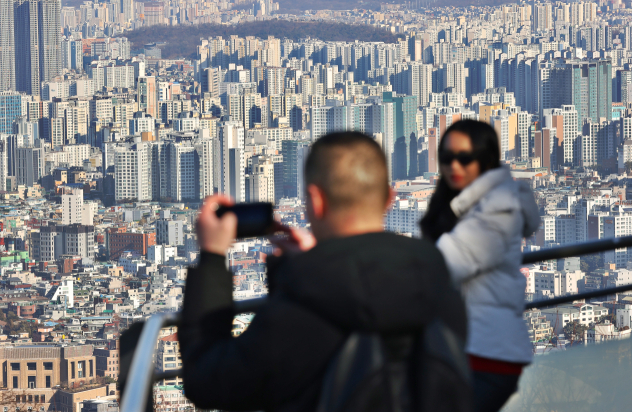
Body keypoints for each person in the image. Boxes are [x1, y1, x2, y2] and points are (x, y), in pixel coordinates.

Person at [179, 132, 469, 412]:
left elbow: (206, 379)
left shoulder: (298, 316)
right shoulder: (442, 289)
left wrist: (213, 258)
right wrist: (309, 265)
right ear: (389, 199)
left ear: (315, 201)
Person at [420, 120, 541, 412]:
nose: (454, 166)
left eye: (465, 158)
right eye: (447, 158)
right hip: (463, 347)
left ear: (486, 160)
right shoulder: (459, 204)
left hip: (489, 354)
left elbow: (443, 264)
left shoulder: (500, 210)